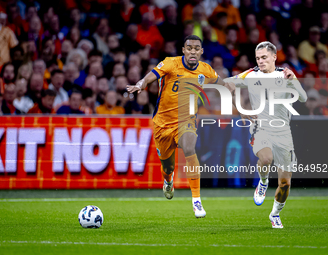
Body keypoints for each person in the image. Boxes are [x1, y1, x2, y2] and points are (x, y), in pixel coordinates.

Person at [127, 35, 234, 218]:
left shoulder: (205, 70)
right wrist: (141, 84)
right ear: (183, 50)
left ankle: (196, 200)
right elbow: (150, 76)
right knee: (167, 167)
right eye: (189, 48)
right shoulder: (170, 63)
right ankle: (168, 180)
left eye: (196, 48)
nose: (193, 51)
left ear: (201, 52)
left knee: (190, 147)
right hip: (162, 124)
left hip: (186, 121)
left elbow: (222, 84)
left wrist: (229, 87)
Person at [224, 41, 308, 228]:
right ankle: (262, 182)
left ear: (274, 57)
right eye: (258, 58)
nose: (260, 61)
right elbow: (227, 83)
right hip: (260, 127)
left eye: (264, 57)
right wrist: (241, 109)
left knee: (285, 183)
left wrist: (294, 79)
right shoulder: (251, 74)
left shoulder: (285, 75)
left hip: (284, 131)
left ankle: (275, 214)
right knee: (267, 158)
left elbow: (303, 98)